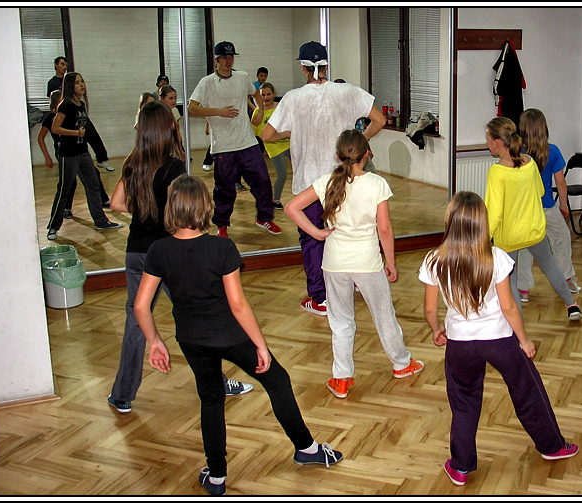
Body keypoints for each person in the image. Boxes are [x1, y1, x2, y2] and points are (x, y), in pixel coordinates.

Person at [134, 174, 343, 495]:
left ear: (170, 208)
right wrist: (260, 345)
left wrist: (154, 342)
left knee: (211, 398)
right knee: (277, 380)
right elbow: (238, 304)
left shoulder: (159, 250)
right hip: (229, 336)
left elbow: (140, 306)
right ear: (205, 207)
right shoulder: (221, 247)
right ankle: (307, 448)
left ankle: (216, 476)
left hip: (190, 339)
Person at [419, 191, 579, 486]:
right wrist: (524, 340)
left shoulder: (434, 260)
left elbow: (430, 309)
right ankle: (552, 446)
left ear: (450, 222)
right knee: (527, 390)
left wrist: (436, 329)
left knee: (464, 401)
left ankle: (461, 466)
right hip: (500, 340)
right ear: (483, 223)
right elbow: (509, 307)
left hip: (460, 344)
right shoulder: (495, 258)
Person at [107, 101, 253, 415]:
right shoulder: (174, 167)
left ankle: (121, 395)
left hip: (136, 251)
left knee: (136, 319)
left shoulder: (132, 162)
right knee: (200, 315)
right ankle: (219, 383)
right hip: (169, 253)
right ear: (167, 129)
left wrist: (143, 211)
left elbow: (116, 203)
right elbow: (180, 211)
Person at [285, 130, 424, 399]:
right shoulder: (377, 183)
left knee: (340, 322)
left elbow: (292, 207)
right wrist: (391, 262)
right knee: (384, 316)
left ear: (338, 156)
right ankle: (402, 364)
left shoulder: (327, 181)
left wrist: (317, 234)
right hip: (367, 263)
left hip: (334, 263)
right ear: (367, 154)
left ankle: (341, 379)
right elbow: (384, 229)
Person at [261, 41, 386, 316]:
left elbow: (267, 135)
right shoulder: (347, 91)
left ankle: (320, 298)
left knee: (313, 239)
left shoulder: (293, 98)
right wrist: (359, 142)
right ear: (326, 65)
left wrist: (292, 133)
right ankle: (353, 280)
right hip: (345, 181)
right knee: (347, 232)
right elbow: (379, 120)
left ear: (303, 67)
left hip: (309, 184)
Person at [483, 117, 582, 321]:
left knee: (510, 280)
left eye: (487, 139)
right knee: (550, 266)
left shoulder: (497, 172)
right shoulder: (529, 162)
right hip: (534, 231)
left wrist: (484, 239)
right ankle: (572, 306)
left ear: (497, 143)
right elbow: (541, 191)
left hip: (509, 237)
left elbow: (494, 213)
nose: (487, 143)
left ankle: (517, 327)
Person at [187, 41, 280, 239]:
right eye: (224, 58)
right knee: (225, 189)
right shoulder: (207, 82)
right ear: (217, 60)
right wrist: (218, 112)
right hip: (223, 145)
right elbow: (192, 108)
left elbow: (256, 94)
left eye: (231, 57)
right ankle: (221, 224)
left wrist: (259, 110)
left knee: (262, 180)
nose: (228, 61)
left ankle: (264, 218)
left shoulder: (242, 77)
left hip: (247, 142)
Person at [514, 109, 581, 302]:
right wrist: (564, 205)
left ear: (523, 129)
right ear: (544, 128)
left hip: (525, 209)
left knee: (526, 248)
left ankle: (523, 289)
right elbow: (560, 182)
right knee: (561, 239)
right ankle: (567, 279)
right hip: (548, 207)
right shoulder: (553, 150)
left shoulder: (518, 153)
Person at [46, 72, 122, 240]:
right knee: (64, 189)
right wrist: (76, 133)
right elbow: (55, 128)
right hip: (68, 154)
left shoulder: (81, 104)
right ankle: (53, 227)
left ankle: (101, 221)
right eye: (77, 82)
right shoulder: (65, 105)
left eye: (82, 81)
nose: (82, 85)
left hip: (82, 152)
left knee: (93, 185)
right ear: (70, 86)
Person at [48, 56, 116, 172]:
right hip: (68, 121)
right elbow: (55, 101)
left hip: (78, 116)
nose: (64, 67)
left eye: (66, 65)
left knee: (93, 135)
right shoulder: (54, 83)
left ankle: (101, 159)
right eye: (62, 64)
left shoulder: (81, 103)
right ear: (56, 65)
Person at [251, 82, 291, 209]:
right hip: (273, 148)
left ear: (274, 94)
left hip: (288, 144)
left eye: (269, 94)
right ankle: (276, 199)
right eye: (263, 95)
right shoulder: (258, 112)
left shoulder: (280, 107)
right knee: (282, 174)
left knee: (300, 169)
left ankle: (303, 195)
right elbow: (257, 133)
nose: (266, 97)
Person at [38, 90, 74, 219]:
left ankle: (102, 201)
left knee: (91, 176)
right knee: (68, 180)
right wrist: (47, 157)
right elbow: (40, 138)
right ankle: (65, 208)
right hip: (62, 151)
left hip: (75, 150)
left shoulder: (69, 114)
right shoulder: (50, 118)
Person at [157, 85, 185, 155]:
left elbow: (177, 128)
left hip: (173, 143)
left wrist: (180, 146)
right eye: (170, 98)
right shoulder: (157, 113)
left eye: (175, 98)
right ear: (162, 99)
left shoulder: (175, 110)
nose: (174, 101)